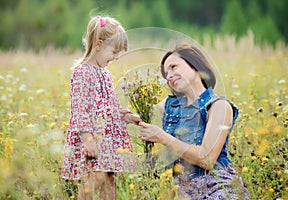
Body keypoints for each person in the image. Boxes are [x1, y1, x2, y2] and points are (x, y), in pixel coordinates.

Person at [139, 45, 250, 199]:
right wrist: (127, 116)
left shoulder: (219, 106)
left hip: (217, 188)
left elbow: (207, 159)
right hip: (183, 192)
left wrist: (162, 137)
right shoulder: (169, 105)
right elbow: (142, 119)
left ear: (195, 65)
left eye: (173, 67)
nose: (169, 76)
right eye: (166, 74)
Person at [61, 15, 141, 200]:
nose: (116, 57)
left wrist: (127, 117)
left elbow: (110, 108)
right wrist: (88, 140)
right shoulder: (82, 73)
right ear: (99, 44)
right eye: (113, 52)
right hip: (93, 138)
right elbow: (80, 110)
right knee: (96, 177)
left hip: (108, 139)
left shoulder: (105, 75)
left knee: (109, 178)